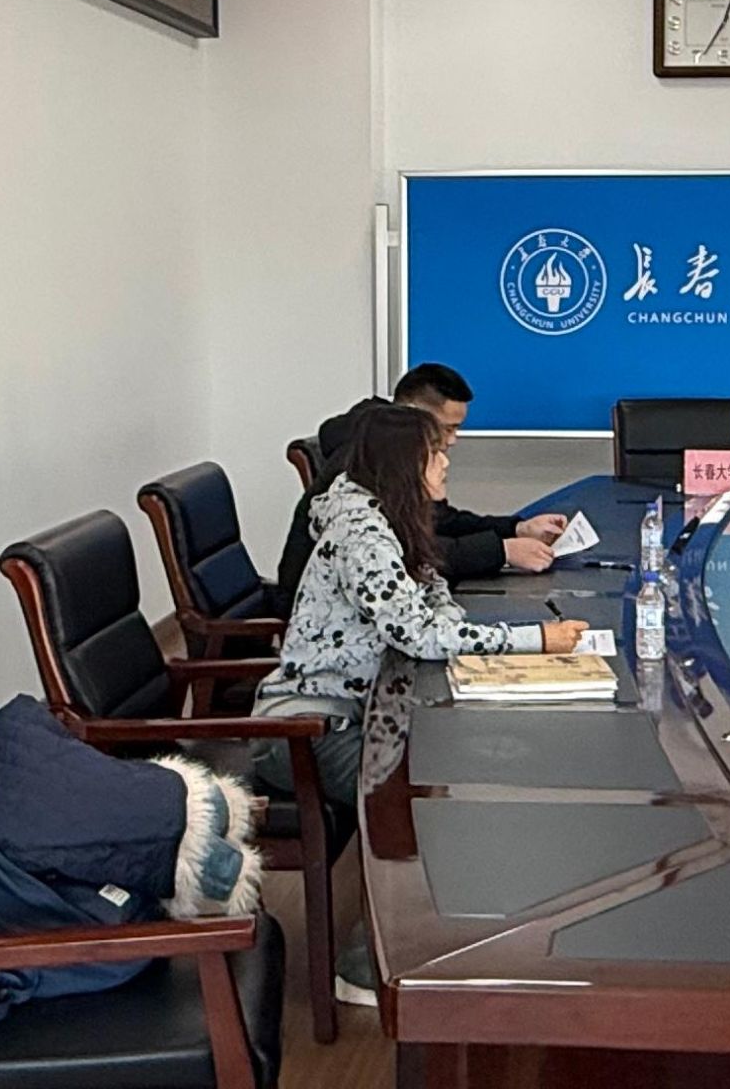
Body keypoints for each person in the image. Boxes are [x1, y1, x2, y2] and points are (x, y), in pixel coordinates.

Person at [253, 404, 589, 1007]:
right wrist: (533, 640)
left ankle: (463, 929)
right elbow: (417, 633)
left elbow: (431, 594)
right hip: (305, 728)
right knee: (418, 791)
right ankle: (367, 966)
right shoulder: (359, 534)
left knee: (455, 758)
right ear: (404, 465)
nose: (446, 464)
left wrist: (463, 625)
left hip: (356, 711)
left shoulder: (390, 518)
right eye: (436, 455)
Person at [275, 364, 569, 605]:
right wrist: (501, 551)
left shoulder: (387, 446)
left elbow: (439, 520)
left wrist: (516, 529)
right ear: (413, 415)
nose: (452, 441)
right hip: (332, 609)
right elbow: (406, 551)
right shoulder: (366, 458)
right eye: (446, 428)